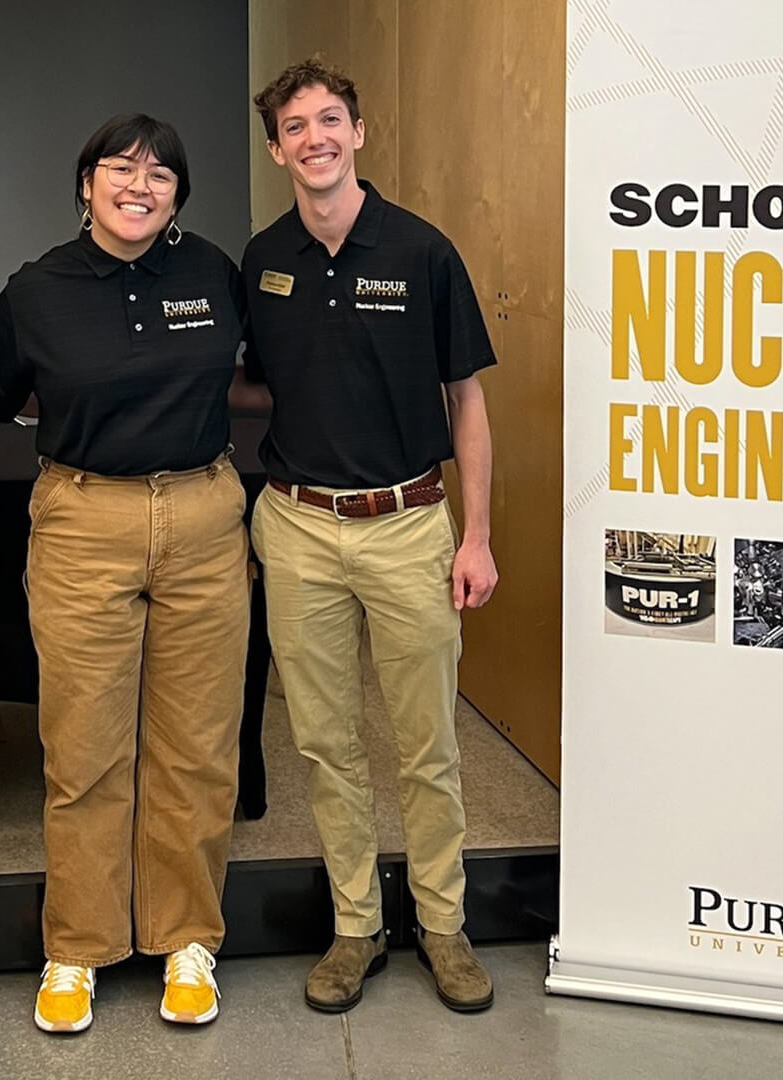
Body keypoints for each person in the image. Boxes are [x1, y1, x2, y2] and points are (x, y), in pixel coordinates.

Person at [0, 114, 250, 1034]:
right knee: (84, 748)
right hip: (85, 518)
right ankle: (77, 947)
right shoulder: (37, 288)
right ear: (85, 182)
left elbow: (268, 374)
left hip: (204, 514)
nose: (140, 183)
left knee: (199, 748)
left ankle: (186, 940)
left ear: (179, 193)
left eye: (161, 172)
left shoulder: (212, 272)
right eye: (120, 168)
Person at [239, 57, 501, 1015]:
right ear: (277, 148)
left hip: (408, 527)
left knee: (427, 743)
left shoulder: (424, 252)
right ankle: (358, 926)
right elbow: (246, 378)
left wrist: (475, 538)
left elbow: (466, 401)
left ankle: (444, 924)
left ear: (359, 133)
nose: (315, 137)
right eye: (296, 126)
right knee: (325, 742)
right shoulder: (262, 261)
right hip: (299, 526)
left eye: (331, 120)